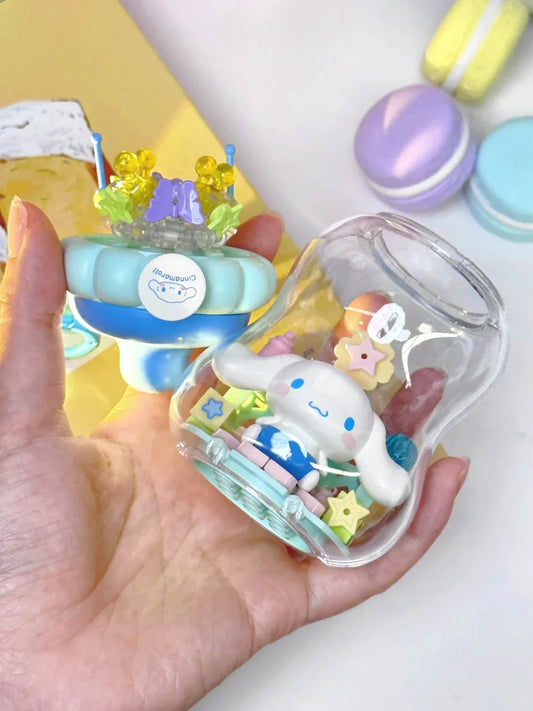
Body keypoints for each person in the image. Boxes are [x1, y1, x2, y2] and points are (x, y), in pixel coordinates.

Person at [0, 199, 469, 710]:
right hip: (245, 450)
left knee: (306, 480)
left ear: (363, 440)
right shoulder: (277, 389)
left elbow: (370, 473)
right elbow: (243, 366)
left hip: (295, 479)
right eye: (299, 385)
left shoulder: (352, 435)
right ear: (284, 378)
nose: (318, 406)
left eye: (350, 425)